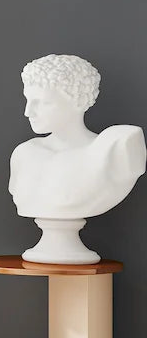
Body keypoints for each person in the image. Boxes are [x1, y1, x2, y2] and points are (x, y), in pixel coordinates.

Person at [8, 54, 145, 263]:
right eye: (28, 100)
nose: (28, 112)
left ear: (78, 101)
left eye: (43, 102)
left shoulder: (114, 147)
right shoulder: (24, 154)